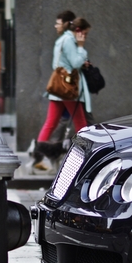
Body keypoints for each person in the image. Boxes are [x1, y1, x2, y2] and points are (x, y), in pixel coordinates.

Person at [34, 17, 92, 161]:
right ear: (78, 31)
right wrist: (81, 47)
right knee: (81, 123)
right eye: (85, 33)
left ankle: (38, 155)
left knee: (51, 122)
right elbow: (76, 62)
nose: (85, 36)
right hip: (67, 90)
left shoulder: (62, 40)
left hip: (59, 89)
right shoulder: (70, 41)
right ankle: (85, 154)